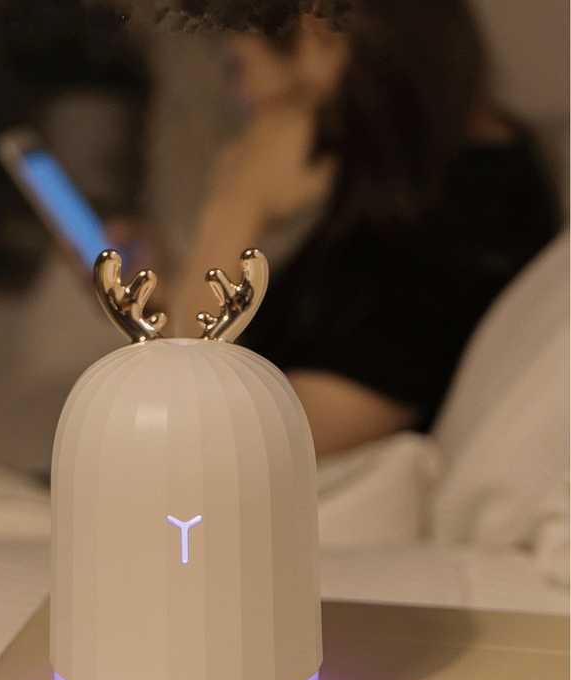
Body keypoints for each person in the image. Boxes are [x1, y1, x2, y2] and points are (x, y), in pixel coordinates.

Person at [172, 0, 560, 456]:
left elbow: (211, 430)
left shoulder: (455, 225)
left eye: (238, 66)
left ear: (324, 42)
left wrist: (236, 210)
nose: (246, 99)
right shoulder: (414, 198)